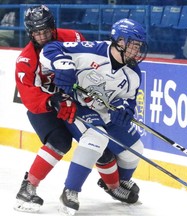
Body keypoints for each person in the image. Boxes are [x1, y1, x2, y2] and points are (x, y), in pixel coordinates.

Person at [14, 5, 123, 213]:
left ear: (52, 26)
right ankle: (27, 189)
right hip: (44, 107)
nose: (43, 36)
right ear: (30, 33)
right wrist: (51, 100)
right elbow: (27, 95)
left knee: (97, 142)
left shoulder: (73, 37)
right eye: (37, 32)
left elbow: (92, 65)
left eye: (46, 30)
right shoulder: (25, 60)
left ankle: (115, 187)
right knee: (59, 142)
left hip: (74, 101)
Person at [39, 18, 148, 215]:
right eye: (133, 44)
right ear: (120, 41)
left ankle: (116, 184)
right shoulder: (92, 50)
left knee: (135, 149)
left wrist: (124, 109)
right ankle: (70, 191)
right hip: (77, 105)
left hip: (105, 112)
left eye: (139, 45)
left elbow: (129, 100)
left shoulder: (133, 73)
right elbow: (50, 49)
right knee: (96, 137)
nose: (137, 50)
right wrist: (63, 65)